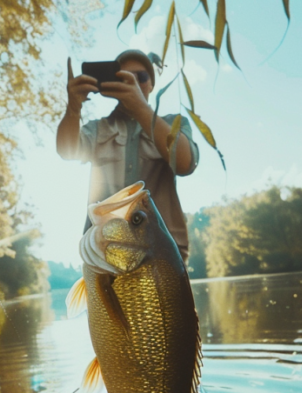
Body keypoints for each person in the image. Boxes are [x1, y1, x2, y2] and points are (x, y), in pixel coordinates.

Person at [57, 50, 200, 261]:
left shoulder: (173, 123)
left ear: (151, 84)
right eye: (123, 76)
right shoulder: (97, 128)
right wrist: (73, 108)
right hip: (104, 253)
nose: (132, 81)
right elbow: (67, 152)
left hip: (162, 255)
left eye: (141, 77)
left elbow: (185, 164)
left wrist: (140, 106)